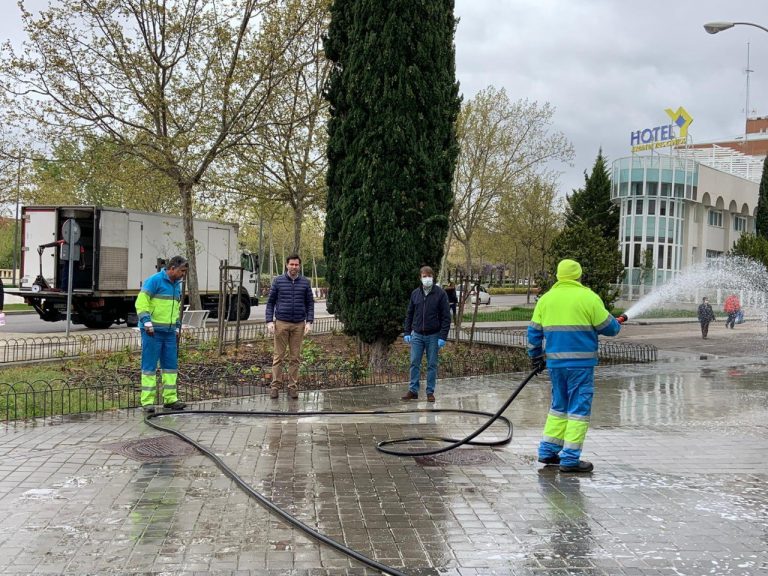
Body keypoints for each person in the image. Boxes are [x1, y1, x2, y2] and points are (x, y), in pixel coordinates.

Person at [527, 259, 622, 473]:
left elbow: (533, 332)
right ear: (579, 276)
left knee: (558, 407)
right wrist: (615, 323)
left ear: (558, 276)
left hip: (555, 365)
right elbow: (610, 328)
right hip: (580, 366)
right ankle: (570, 459)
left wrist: (535, 356)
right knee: (579, 410)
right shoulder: (588, 297)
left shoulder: (546, 299)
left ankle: (548, 451)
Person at [135, 256, 188, 413]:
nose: (183, 274)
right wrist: (146, 322)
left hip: (169, 332)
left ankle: (170, 399)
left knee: (171, 366)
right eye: (182, 271)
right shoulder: (154, 281)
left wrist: (177, 327)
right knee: (150, 366)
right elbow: (141, 302)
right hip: (152, 332)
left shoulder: (176, 286)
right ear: (172, 268)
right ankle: (147, 402)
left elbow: (176, 308)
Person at [265, 254, 315, 400]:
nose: (294, 267)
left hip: (298, 324)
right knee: (278, 357)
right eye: (291, 264)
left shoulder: (305, 283)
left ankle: (292, 387)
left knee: (295, 358)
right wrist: (269, 321)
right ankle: (275, 387)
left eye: (296, 264)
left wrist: (309, 322)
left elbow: (310, 304)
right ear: (287, 265)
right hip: (281, 323)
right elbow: (270, 302)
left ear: (299, 266)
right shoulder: (278, 281)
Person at [402, 266, 451, 402]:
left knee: (432, 364)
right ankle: (413, 390)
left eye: (429, 276)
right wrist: (407, 331)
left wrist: (442, 336)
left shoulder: (440, 294)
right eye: (424, 276)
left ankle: (430, 392)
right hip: (417, 334)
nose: (427, 278)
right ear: (420, 278)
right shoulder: (415, 294)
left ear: (433, 277)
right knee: (414, 362)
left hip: (433, 335)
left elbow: (446, 317)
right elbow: (410, 314)